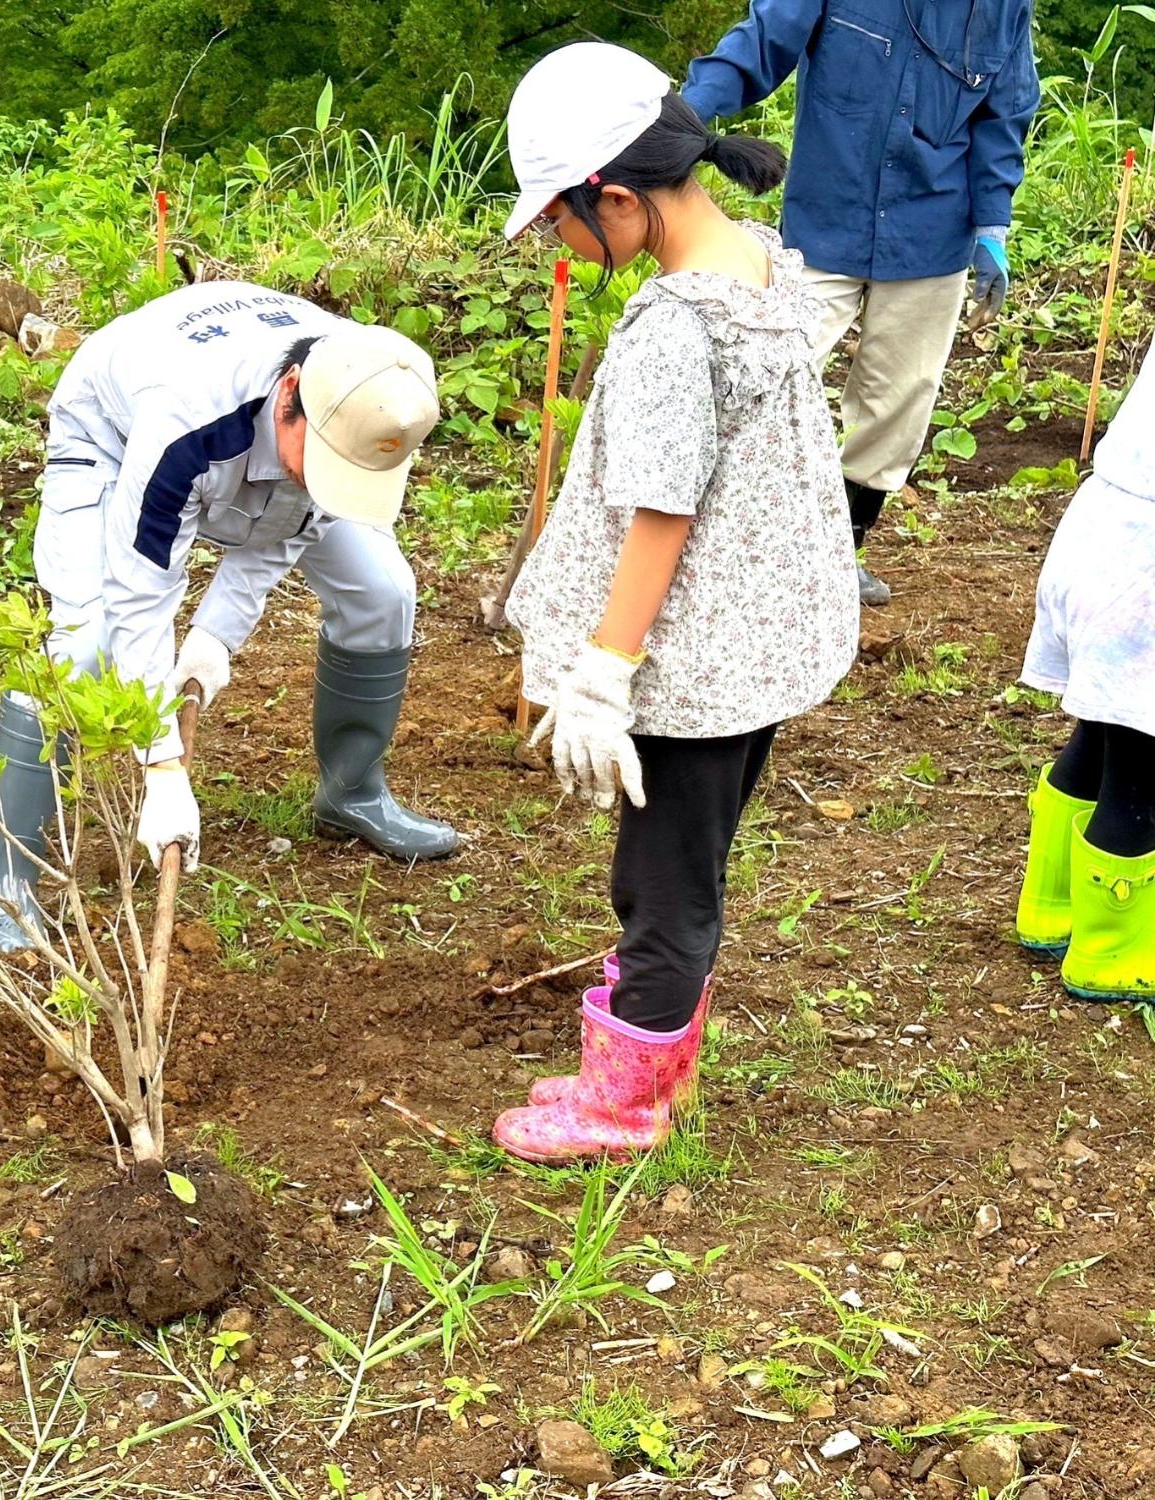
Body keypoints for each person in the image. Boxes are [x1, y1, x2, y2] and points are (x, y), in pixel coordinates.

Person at [490, 43, 859, 1164]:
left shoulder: (672, 331)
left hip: (693, 665)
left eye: (554, 218)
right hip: (761, 640)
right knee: (684, 865)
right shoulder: (755, 263)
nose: (552, 242)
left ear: (610, 196)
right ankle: (649, 1067)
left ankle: (626, 1104)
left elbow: (661, 512)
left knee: (660, 888)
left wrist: (604, 670)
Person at [0, 280, 453, 953]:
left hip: (245, 431)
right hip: (110, 434)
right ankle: (7, 884)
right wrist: (162, 763)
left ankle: (353, 794)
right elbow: (141, 593)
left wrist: (212, 639)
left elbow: (294, 523)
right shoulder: (186, 423)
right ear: (290, 398)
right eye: (321, 463)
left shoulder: (368, 391)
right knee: (90, 645)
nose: (325, 480)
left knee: (384, 590)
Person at [680, 0, 1039, 607]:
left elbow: (1004, 115)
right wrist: (684, 117)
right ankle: (715, 542)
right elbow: (762, 42)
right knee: (765, 374)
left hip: (934, 228)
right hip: (827, 219)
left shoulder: (1005, 8)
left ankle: (842, 550)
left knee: (901, 398)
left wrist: (992, 228)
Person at [1013, 346, 1154, 1003]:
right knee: (1141, 775)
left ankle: (1051, 906)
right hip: (1145, 573)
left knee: (1102, 738)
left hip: (1105, 529)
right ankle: (1112, 953)